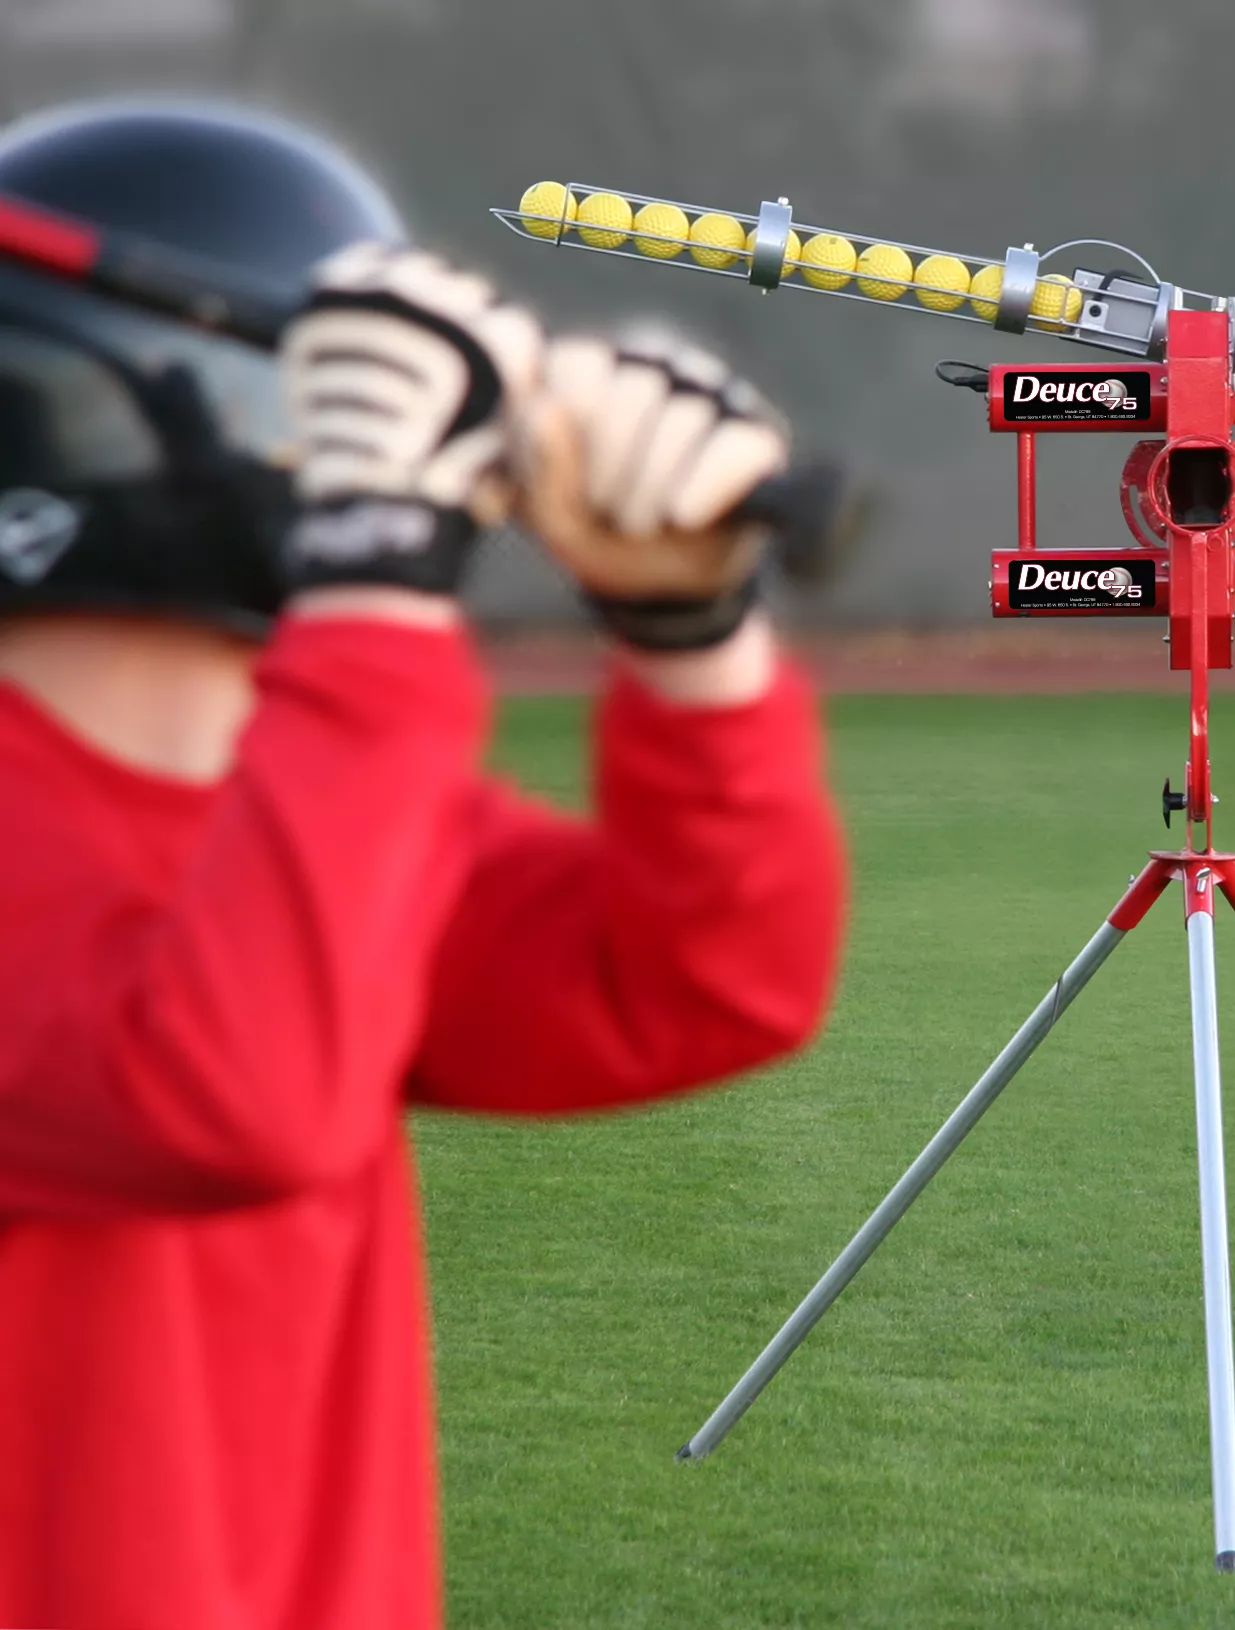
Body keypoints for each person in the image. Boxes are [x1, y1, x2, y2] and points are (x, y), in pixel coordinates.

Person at [0, 101, 843, 1629]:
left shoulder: (307, 810)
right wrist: (379, 585)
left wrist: (689, 640)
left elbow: (705, 977)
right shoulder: (293, 806)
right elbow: (232, 1093)